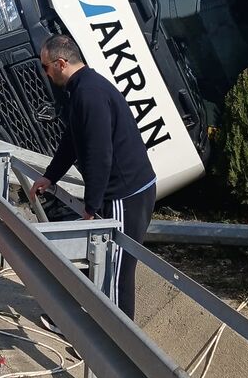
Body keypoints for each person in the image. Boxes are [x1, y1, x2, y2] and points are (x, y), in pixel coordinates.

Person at [30, 35, 156, 321]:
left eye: (46, 68)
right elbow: (73, 141)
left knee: (117, 267)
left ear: (61, 64)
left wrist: (92, 207)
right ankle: (78, 320)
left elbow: (100, 154)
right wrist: (50, 176)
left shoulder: (89, 94)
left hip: (127, 193)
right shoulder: (81, 89)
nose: (45, 74)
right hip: (119, 190)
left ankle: (118, 341)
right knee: (99, 261)